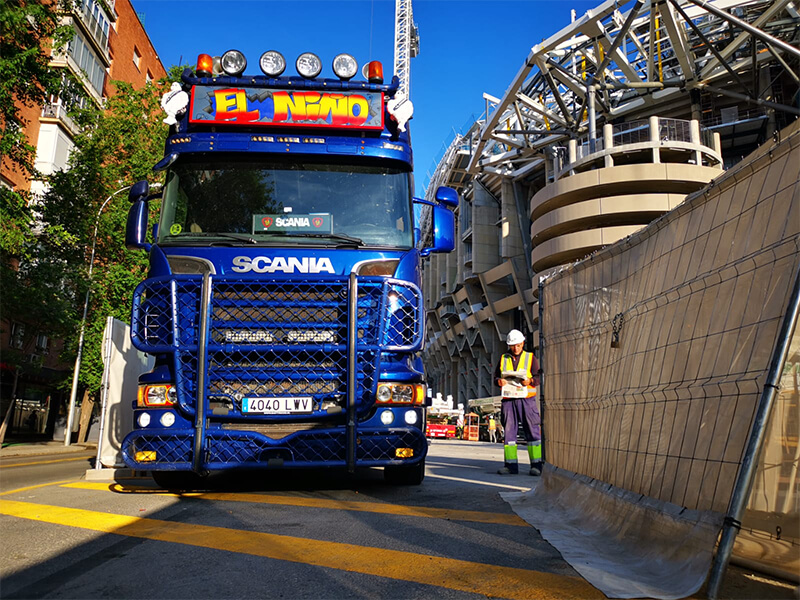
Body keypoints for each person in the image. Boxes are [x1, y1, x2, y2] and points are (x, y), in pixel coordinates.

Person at [495, 329, 542, 476]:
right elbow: (496, 377)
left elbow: (539, 376)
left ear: (522, 343)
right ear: (509, 345)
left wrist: (531, 381)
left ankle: (536, 465)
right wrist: (499, 382)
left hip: (527, 400)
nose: (516, 348)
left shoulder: (530, 358)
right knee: (509, 433)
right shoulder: (503, 358)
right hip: (509, 401)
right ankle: (510, 466)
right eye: (513, 345)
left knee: (532, 432)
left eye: (518, 345)